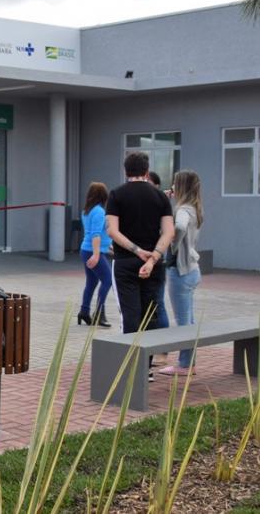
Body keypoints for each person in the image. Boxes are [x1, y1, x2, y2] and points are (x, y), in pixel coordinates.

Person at [106, 152, 174, 382]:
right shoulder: (160, 197)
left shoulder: (116, 194)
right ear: (147, 171)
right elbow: (169, 232)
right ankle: (146, 369)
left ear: (126, 171)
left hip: (125, 262)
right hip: (154, 264)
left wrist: (135, 250)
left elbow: (112, 231)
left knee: (130, 315)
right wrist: (153, 257)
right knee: (150, 314)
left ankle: (131, 368)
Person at [159, 170, 204, 376]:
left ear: (182, 186)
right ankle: (188, 362)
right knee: (189, 320)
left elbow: (179, 225)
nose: (172, 187)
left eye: (175, 184)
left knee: (183, 322)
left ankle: (185, 365)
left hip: (181, 271)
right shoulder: (194, 207)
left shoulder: (183, 210)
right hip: (193, 270)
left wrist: (172, 244)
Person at [77, 183, 113, 328]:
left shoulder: (87, 211)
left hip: (86, 250)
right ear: (103, 196)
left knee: (91, 283)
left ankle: (84, 312)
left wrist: (107, 247)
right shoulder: (98, 211)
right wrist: (97, 254)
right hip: (92, 251)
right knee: (108, 280)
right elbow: (96, 234)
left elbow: (96, 233)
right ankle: (99, 312)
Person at [147, 172, 171, 366]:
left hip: (156, 260)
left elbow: (169, 231)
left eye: (148, 184)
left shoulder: (160, 204)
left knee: (158, 304)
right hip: (145, 260)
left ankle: (162, 350)